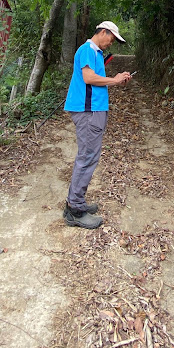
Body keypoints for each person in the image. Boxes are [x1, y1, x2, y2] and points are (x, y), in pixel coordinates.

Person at [63, 21, 132, 229]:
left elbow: (97, 80)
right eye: (112, 38)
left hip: (94, 110)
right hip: (88, 111)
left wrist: (116, 81)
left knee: (89, 156)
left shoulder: (96, 53)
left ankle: (77, 202)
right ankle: (74, 209)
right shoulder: (87, 49)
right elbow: (89, 78)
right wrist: (115, 79)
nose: (111, 43)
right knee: (87, 157)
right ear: (104, 32)